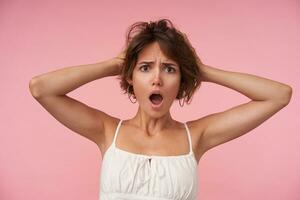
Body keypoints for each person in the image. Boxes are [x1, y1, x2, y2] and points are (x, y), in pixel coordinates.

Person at [29, 19, 292, 200]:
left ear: (181, 80)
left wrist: (203, 72)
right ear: (131, 77)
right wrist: (114, 64)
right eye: (145, 68)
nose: (157, 79)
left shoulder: (197, 136)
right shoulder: (108, 131)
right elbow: (41, 88)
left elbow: (278, 96)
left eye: (169, 68)